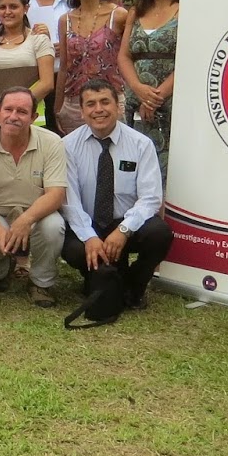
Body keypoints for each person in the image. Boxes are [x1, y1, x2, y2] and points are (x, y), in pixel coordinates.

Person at [61, 80, 173, 311]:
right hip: (88, 222)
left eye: (105, 102)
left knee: (159, 233)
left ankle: (135, 286)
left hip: (125, 223)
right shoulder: (67, 146)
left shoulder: (141, 144)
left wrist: (124, 230)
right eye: (90, 104)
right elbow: (69, 201)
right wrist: (89, 237)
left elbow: (151, 198)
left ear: (118, 106)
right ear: (82, 112)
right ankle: (97, 277)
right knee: (73, 249)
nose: (98, 109)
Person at [0, 87, 68, 307]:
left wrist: (25, 220)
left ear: (34, 117)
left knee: (54, 227)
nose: (13, 116)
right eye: (8, 109)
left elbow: (56, 194)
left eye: (22, 111)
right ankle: (3, 272)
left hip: (37, 214)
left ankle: (40, 282)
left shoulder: (52, 142)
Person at [118, 0, 181, 177]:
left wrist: (156, 97)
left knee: (169, 166)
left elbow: (190, 59)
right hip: (136, 101)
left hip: (172, 101)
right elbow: (124, 56)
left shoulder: (186, 11)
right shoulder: (136, 12)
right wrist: (138, 88)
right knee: (137, 167)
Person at [55, 0, 125, 134]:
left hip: (110, 101)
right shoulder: (65, 20)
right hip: (74, 104)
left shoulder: (118, 16)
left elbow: (128, 60)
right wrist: (58, 107)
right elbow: (64, 66)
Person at [0, 0, 56, 126]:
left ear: (25, 8)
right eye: (2, 7)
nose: (7, 12)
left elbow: (47, 83)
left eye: (13, 7)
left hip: (32, 116)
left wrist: (15, 107)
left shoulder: (39, 39)